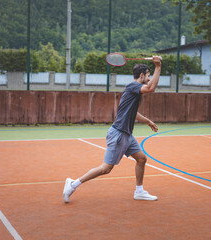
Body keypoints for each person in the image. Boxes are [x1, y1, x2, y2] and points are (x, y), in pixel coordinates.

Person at [63, 56, 162, 203]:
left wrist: (147, 121)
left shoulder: (134, 91)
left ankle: (139, 191)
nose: (149, 78)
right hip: (119, 135)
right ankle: (72, 184)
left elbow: (133, 112)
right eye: (148, 75)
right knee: (106, 168)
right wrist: (158, 66)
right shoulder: (133, 87)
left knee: (141, 159)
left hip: (126, 135)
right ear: (141, 75)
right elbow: (151, 88)